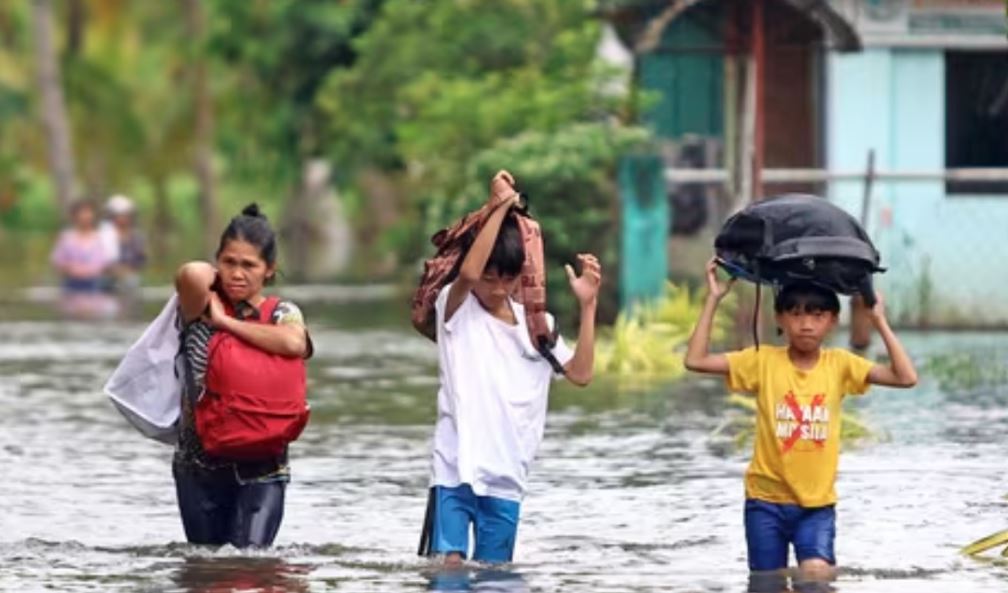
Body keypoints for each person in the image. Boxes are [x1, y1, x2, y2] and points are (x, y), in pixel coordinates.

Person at [684, 258, 917, 584]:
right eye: (796, 313)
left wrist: (877, 319)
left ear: (833, 321)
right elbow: (695, 360)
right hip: (765, 503)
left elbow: (906, 378)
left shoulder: (840, 364)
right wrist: (713, 299)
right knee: (766, 583)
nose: (806, 324)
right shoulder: (761, 360)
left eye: (817, 314)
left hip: (817, 506)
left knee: (816, 576)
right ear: (780, 318)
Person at [418, 170, 601, 566]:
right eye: (490, 277)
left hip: (507, 476)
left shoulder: (539, 327)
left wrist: (588, 306)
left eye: (507, 277)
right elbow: (468, 273)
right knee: (448, 568)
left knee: (494, 575)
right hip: (454, 468)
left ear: (522, 276)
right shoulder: (456, 308)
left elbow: (582, 374)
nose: (497, 287)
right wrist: (500, 207)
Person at [172, 203, 312, 548]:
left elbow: (295, 343)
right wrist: (215, 291)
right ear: (217, 262)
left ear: (269, 270)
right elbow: (191, 273)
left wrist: (226, 324)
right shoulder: (199, 306)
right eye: (229, 262)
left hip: (263, 465)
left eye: (249, 265)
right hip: (200, 464)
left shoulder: (282, 313)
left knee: (251, 566)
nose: (237, 273)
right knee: (206, 569)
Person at [50, 200, 112, 294]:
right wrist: (72, 269)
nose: (85, 216)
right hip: (72, 282)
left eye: (88, 212)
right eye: (82, 213)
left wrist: (89, 271)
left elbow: (106, 262)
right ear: (74, 216)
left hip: (95, 283)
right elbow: (58, 261)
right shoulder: (66, 237)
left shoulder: (101, 237)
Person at [101, 194, 147, 292]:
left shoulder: (137, 236)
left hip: (130, 277)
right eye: (120, 215)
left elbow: (140, 259)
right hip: (106, 277)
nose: (123, 218)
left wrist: (127, 270)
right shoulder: (104, 234)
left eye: (126, 215)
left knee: (132, 282)